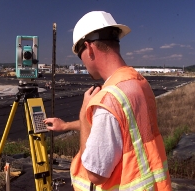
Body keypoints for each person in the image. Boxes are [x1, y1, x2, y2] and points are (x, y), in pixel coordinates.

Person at [43, 11, 171, 190]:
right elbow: (118, 128)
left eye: (80, 56)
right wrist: (65, 126)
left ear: (89, 48)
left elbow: (95, 174)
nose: (83, 63)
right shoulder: (137, 82)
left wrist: (84, 110)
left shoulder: (109, 99)